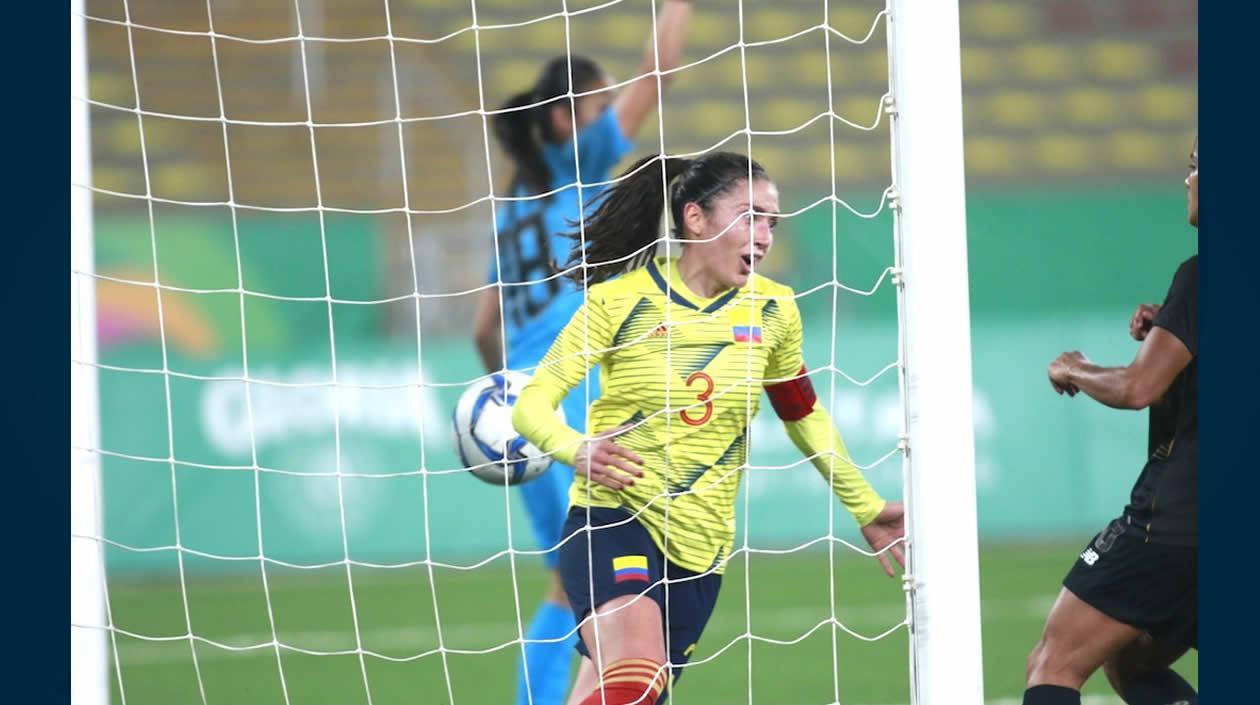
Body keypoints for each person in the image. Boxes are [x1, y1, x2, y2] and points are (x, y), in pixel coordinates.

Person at [511, 151, 906, 705]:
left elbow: (801, 414)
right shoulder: (619, 301)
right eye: (750, 215)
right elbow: (532, 404)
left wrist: (864, 505)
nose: (765, 235)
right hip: (614, 518)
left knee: (613, 692)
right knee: (636, 681)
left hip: (702, 550)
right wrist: (574, 448)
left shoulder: (774, 310)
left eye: (772, 221)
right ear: (695, 218)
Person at [471, 4, 695, 704]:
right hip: (579, 389)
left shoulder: (512, 204)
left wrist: (511, 398)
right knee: (621, 577)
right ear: (567, 119)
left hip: (519, 404)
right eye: (600, 103)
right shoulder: (581, 160)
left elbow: (484, 328)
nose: (610, 118)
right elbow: (659, 71)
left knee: (567, 585)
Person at [1022, 140, 1198, 705]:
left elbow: (1136, 388)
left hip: (1173, 524)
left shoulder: (1202, 275)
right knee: (1130, 662)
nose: (1188, 179)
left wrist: (1076, 368)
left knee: (1054, 664)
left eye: (1197, 166)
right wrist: (1170, 323)